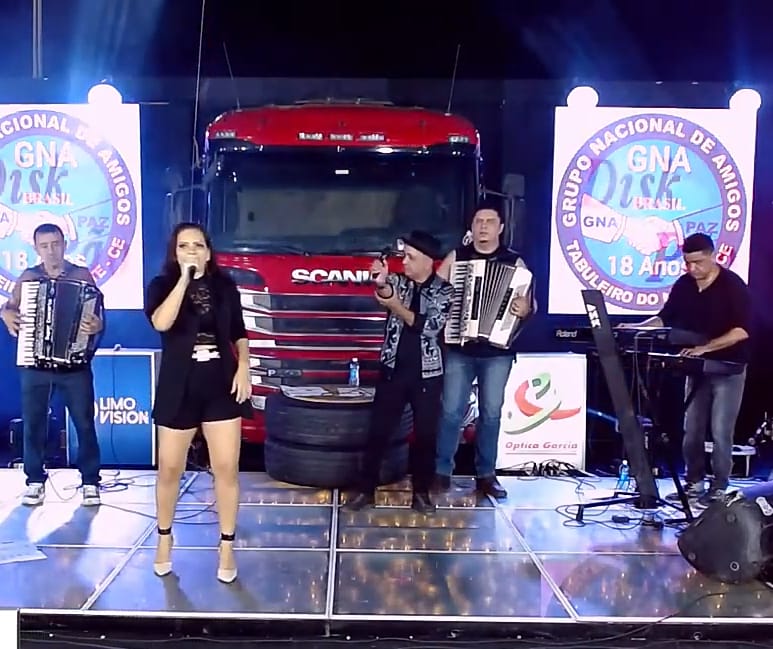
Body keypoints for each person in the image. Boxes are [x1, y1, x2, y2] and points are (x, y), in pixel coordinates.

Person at [144, 223, 251, 583]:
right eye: (184, 246)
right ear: (175, 252)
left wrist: (244, 366)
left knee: (226, 468)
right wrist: (184, 280)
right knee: (169, 469)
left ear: (208, 251)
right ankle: (164, 538)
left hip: (219, 383)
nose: (191, 251)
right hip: (179, 385)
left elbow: (239, 332)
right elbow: (162, 322)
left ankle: (227, 545)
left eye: (198, 245)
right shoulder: (161, 285)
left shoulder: (225, 287)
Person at [620, 232, 750, 506]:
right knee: (692, 429)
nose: (693, 268)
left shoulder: (732, 285)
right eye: (688, 263)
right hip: (698, 368)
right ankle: (694, 483)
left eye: (698, 262)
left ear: (713, 256)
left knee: (720, 430)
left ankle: (719, 487)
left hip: (728, 367)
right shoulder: (684, 285)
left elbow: (741, 331)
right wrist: (636, 328)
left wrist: (706, 348)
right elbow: (664, 318)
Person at [344, 231, 454, 514]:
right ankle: (365, 489)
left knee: (425, 437)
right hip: (393, 369)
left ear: (427, 261)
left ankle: (421, 494)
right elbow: (384, 294)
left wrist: (396, 306)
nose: (404, 262)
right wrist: (381, 283)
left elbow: (430, 327)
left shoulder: (444, 291)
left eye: (410, 258)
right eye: (404, 256)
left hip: (427, 375)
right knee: (378, 432)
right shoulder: (398, 282)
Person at [434, 205, 535, 499]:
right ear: (472, 225)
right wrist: (448, 303)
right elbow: (434, 291)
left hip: (497, 351)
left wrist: (524, 309)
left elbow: (529, 305)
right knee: (451, 411)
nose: (483, 226)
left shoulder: (515, 263)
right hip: (459, 347)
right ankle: (441, 472)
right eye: (479, 221)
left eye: (490, 222)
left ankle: (486, 475)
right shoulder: (457, 257)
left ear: (500, 228)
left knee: (491, 414)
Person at [0, 223, 104, 507]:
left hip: (74, 366)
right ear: (36, 248)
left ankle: (90, 481)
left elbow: (98, 315)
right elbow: (9, 307)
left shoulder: (82, 275)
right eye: (44, 246)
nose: (51, 251)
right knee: (33, 423)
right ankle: (35, 480)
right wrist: (5, 314)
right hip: (35, 364)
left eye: (56, 244)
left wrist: (96, 325)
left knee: (84, 423)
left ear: (65, 244)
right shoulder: (28, 278)